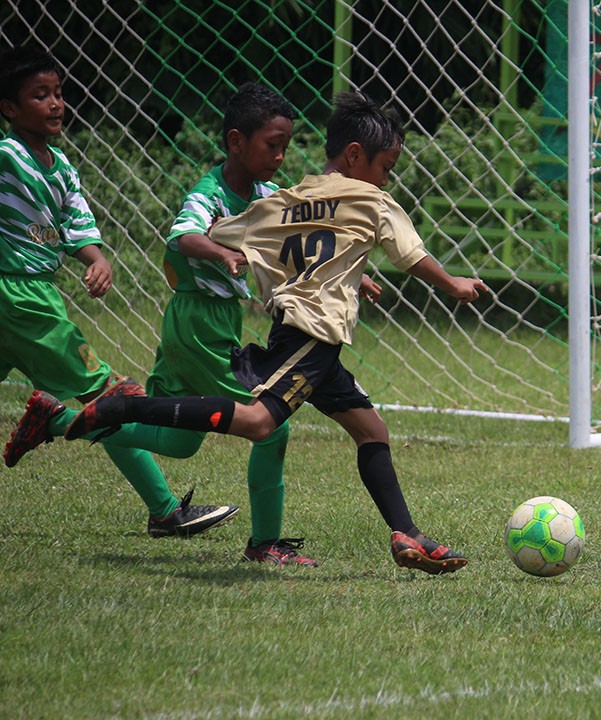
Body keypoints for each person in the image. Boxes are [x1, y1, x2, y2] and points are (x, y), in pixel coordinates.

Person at [67, 91, 490, 574]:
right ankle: (124, 407)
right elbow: (410, 255)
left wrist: (350, 272)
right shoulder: (373, 200)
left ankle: (406, 534)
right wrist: (453, 283)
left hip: (308, 337)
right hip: (312, 335)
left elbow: (224, 234)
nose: (386, 178)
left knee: (371, 429)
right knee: (259, 423)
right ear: (356, 155)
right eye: (386, 167)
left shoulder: (287, 200)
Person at [0, 45, 238, 537]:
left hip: (34, 293)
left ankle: (160, 508)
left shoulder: (62, 167)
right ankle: (165, 511)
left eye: (58, 94)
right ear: (9, 108)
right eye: (39, 95)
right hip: (20, 299)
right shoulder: (6, 157)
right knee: (109, 396)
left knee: (108, 407)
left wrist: (98, 259)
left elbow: (77, 226)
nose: (54, 104)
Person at [89, 82, 312, 564]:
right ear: (236, 142)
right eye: (271, 145)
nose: (279, 156)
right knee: (271, 424)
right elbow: (185, 236)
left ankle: (69, 421)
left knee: (177, 440)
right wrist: (223, 252)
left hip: (204, 323)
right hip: (199, 323)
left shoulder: (268, 194)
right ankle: (265, 544)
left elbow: (298, 236)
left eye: (285, 147)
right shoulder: (208, 192)